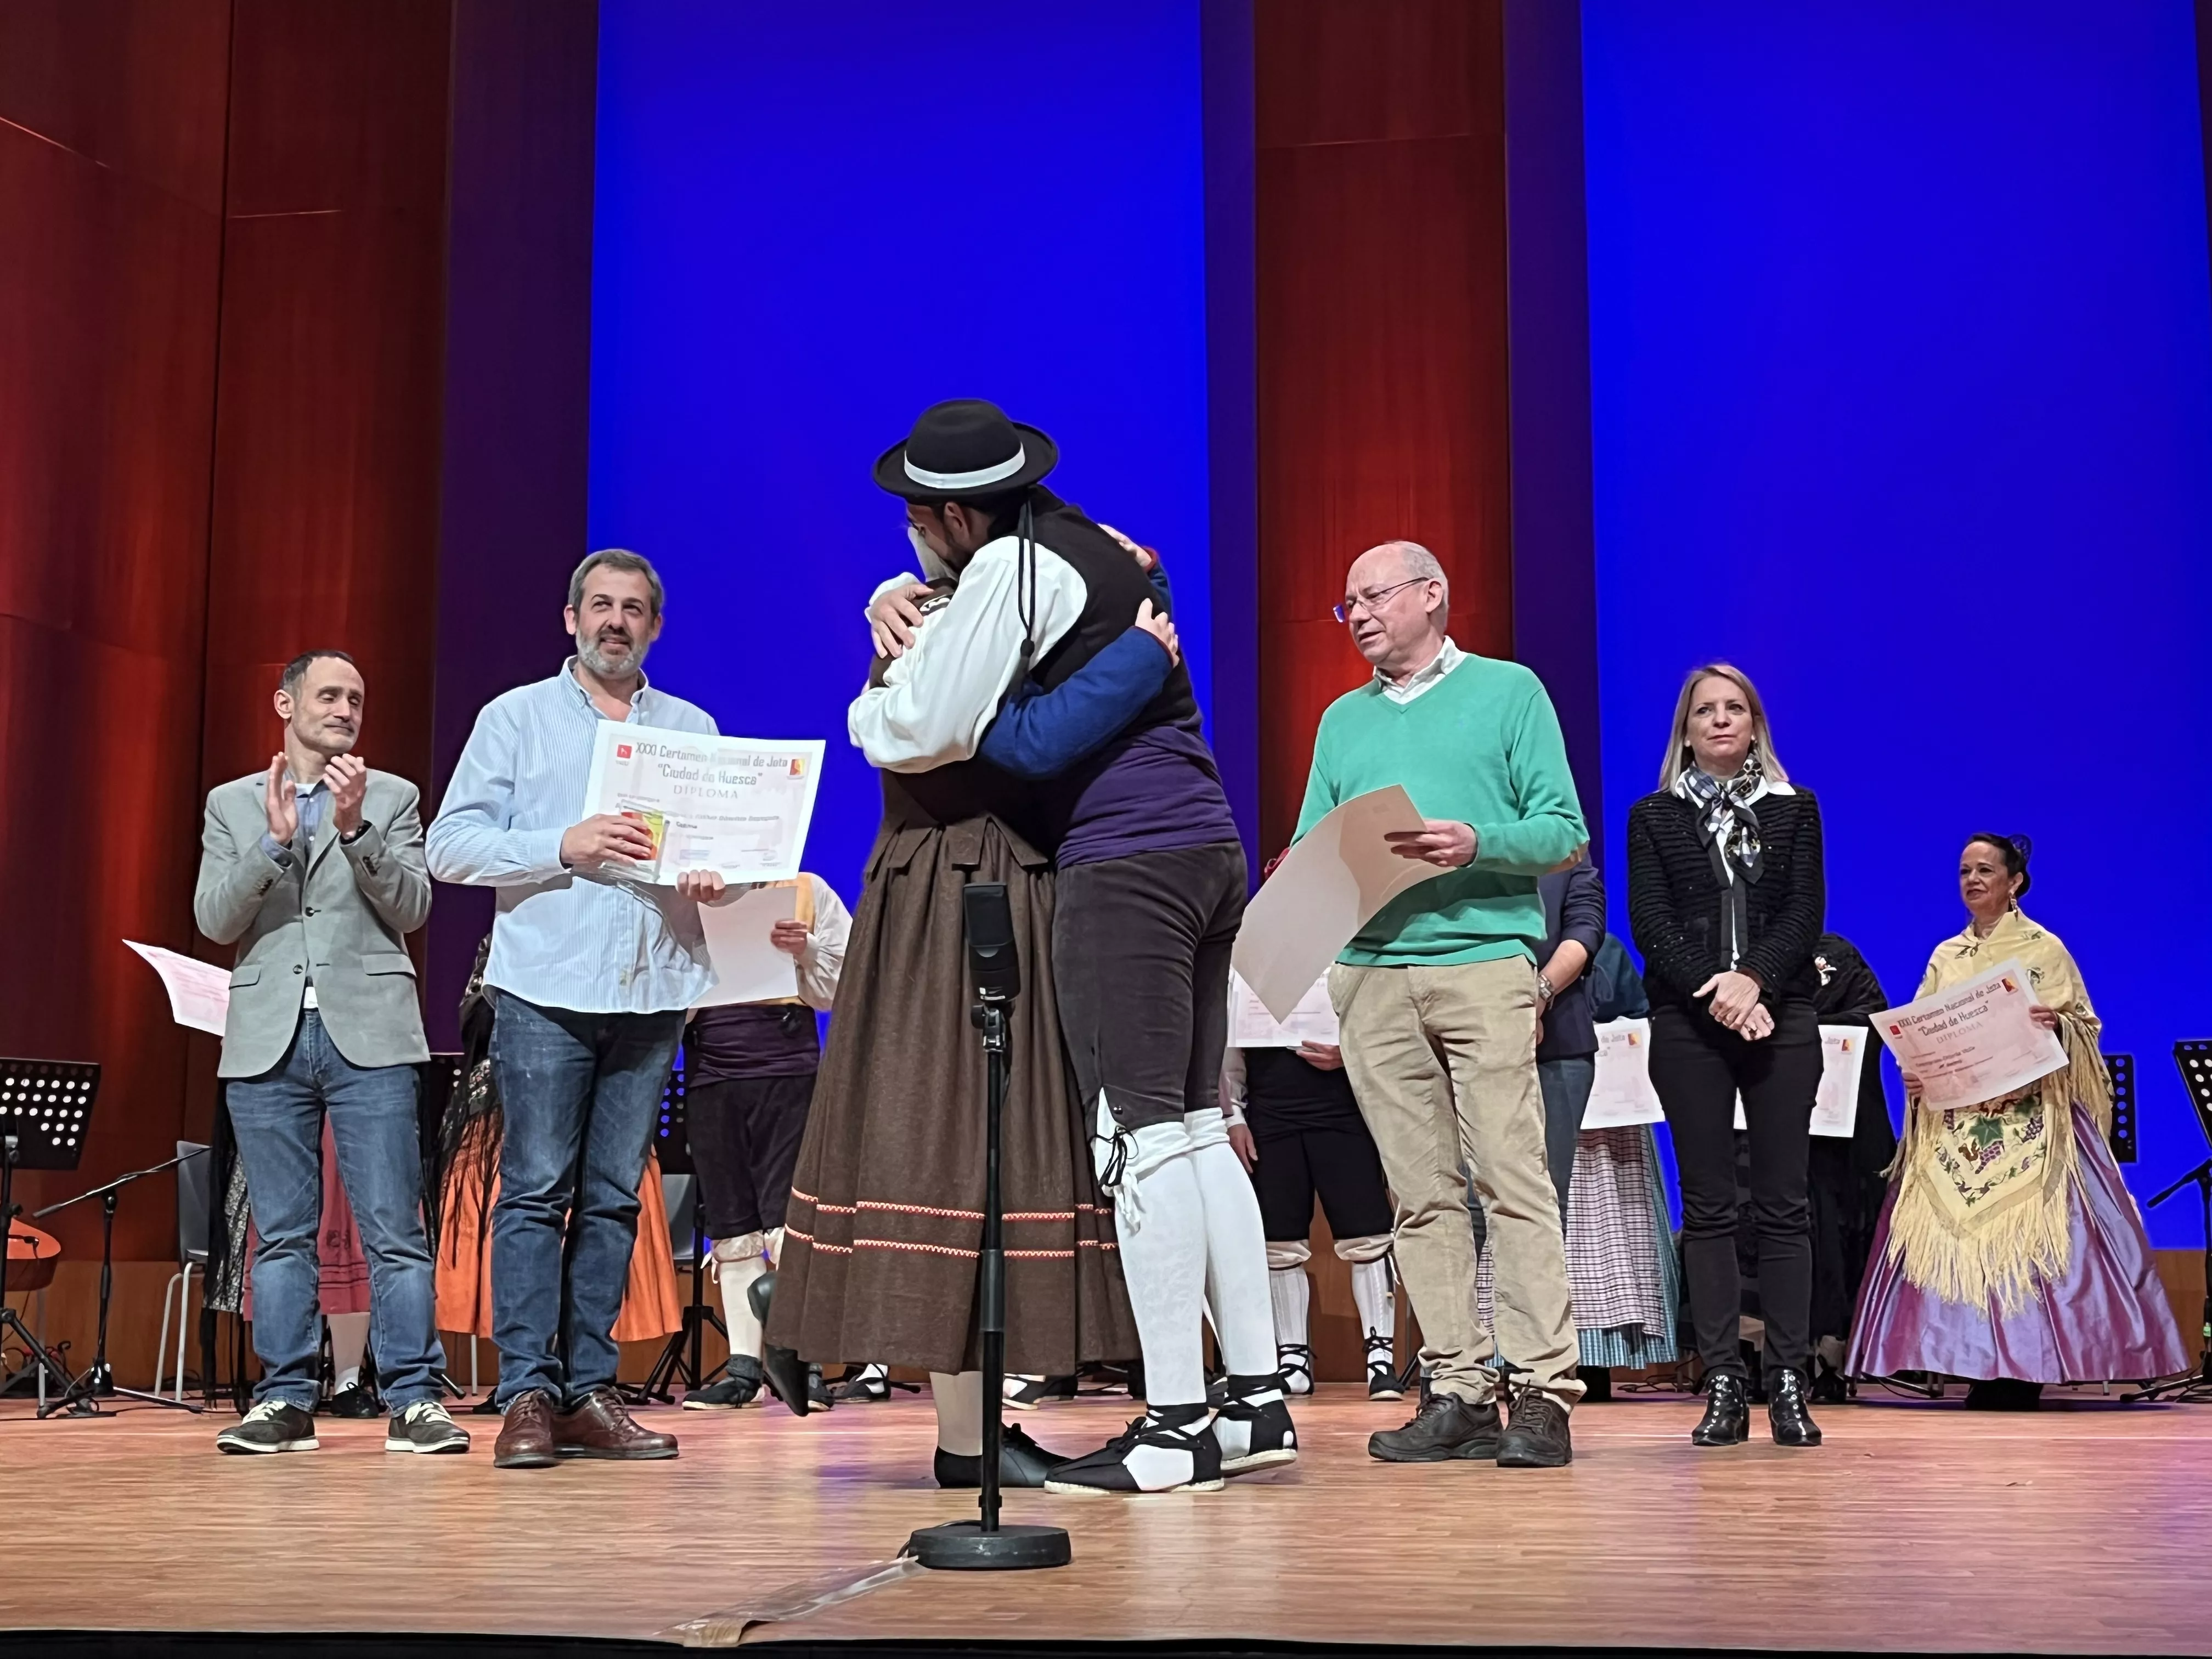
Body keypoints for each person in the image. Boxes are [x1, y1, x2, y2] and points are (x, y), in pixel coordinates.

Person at [817, 398, 1289, 1497]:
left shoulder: (1009, 572)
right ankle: (1257, 1403)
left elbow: (934, 729)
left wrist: (874, 699)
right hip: (1206, 844)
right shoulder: (1105, 555)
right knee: (1203, 1127)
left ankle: (1176, 1423)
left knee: (1142, 1137)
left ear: (947, 514)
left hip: (1127, 861)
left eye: (914, 521)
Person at [428, 549, 731, 1470]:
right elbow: (450, 845)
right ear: (569, 617)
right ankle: (526, 1389)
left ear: (655, 627)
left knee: (610, 1200)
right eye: (600, 604)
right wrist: (563, 843)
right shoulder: (514, 718)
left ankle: (589, 1390)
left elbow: (719, 852)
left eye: (633, 608)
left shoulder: (691, 726)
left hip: (651, 989)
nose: (615, 620)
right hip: (544, 989)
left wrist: (716, 875)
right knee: (533, 1191)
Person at [1296, 539, 1587, 1469]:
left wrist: (1477, 842)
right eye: (1348, 605)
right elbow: (1313, 846)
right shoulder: (1341, 720)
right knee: (1419, 1196)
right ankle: (1456, 1387)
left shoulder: (1509, 691)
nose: (1359, 614)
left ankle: (1542, 1388)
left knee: (1511, 1177)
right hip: (1373, 972)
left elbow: (1563, 831)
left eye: (1372, 595)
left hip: (1479, 962)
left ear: (1432, 594)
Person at [195, 650, 466, 1455]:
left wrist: (355, 835)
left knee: (394, 1226)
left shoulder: (393, 798)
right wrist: (273, 847)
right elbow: (214, 917)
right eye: (329, 694)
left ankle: (414, 1396)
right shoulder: (232, 803)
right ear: (285, 703)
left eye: (357, 697)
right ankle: (283, 1397)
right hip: (267, 1033)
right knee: (279, 1233)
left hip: (372, 1031)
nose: (346, 708)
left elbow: (414, 906)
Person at [1846, 836, 2187, 1405]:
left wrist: (2058, 1026)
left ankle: (2025, 1370)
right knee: (1954, 1241)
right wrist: (1916, 1072)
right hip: (1956, 1124)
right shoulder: (1946, 955)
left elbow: (2085, 1026)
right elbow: (1924, 1029)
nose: (1973, 880)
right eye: (1964, 871)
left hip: (2030, 1118)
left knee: (2034, 1242)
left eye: (1985, 870)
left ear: (2015, 882)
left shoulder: (2043, 949)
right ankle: (1969, 1366)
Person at [1627, 663, 1826, 1448]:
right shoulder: (1655, 817)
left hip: (1782, 1014)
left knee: (1784, 1206)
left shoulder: (1795, 809)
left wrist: (1756, 984)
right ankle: (1722, 1381)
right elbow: (1651, 920)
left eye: (1733, 709)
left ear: (1754, 724)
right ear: (1685, 727)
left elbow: (1804, 911)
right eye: (1704, 711)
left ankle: (1787, 1379)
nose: (1718, 721)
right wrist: (1717, 989)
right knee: (1707, 1207)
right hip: (1688, 1019)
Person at [1473, 875, 1682, 1396]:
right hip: (1491, 1060)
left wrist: (1541, 997)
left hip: (1601, 1128)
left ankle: (1565, 1364)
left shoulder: (1600, 941)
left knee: (1558, 1225)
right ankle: (1479, 1361)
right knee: (1488, 1213)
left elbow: (1636, 1014)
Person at [680, 873, 850, 1410]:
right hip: (711, 1072)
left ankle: (807, 1362)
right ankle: (744, 1369)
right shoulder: (683, 891)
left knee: (792, 1220)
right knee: (732, 1222)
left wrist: (807, 948)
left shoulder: (804, 888)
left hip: (788, 1071)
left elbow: (846, 982)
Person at [1222, 953, 1401, 1399]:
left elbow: (1385, 1023)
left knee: (1368, 1235)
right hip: (1270, 1113)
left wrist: (1350, 1053)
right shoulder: (1246, 958)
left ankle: (1381, 1360)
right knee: (1279, 1243)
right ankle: (1292, 1359)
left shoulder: (1354, 950)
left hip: (1345, 1108)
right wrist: (1234, 1118)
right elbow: (1229, 1047)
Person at [1804, 933, 1898, 1397]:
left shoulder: (1837, 954)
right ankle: (1770, 1358)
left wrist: (1805, 1028)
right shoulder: (1744, 964)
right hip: (1776, 1132)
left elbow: (1873, 1018)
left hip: (1846, 1132)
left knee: (1842, 1238)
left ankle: (1837, 1358)